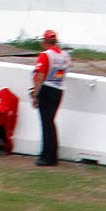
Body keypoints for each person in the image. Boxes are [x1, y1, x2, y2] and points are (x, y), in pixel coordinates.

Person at [29, 28, 71, 166]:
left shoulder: (45, 55)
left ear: (45, 42)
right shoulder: (65, 55)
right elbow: (66, 69)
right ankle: (50, 154)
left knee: (47, 124)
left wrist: (35, 95)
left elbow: (39, 77)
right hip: (59, 90)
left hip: (47, 89)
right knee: (50, 123)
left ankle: (48, 155)